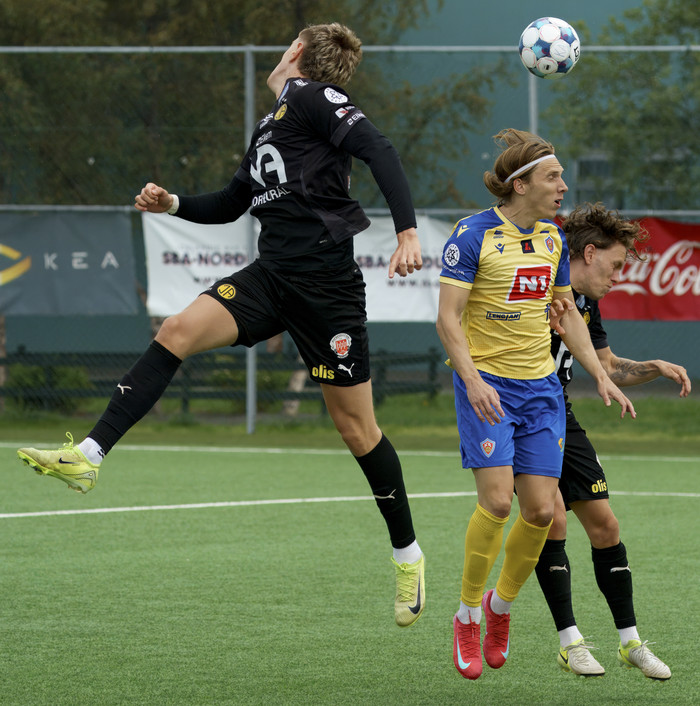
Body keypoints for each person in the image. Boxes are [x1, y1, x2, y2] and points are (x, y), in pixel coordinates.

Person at [16, 23, 426, 628]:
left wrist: (408, 231)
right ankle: (89, 455)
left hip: (325, 284)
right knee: (175, 331)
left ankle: (408, 555)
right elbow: (232, 204)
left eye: (289, 42)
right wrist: (174, 204)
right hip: (271, 276)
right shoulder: (271, 125)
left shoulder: (312, 96)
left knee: (357, 429)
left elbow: (379, 150)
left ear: (297, 52)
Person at [436, 128, 636, 681]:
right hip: (488, 386)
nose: (563, 186)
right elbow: (448, 319)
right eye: (553, 177)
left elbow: (567, 315)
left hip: (541, 390)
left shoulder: (552, 239)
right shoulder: (472, 235)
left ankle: (500, 606)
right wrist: (472, 381)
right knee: (498, 503)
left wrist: (601, 375)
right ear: (521, 184)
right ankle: (468, 614)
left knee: (543, 513)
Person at [535, 202, 689, 680]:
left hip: (561, 414)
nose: (618, 277)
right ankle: (571, 643)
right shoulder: (539, 289)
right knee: (553, 519)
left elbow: (607, 366)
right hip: (522, 416)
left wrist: (654, 367)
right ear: (588, 253)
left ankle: (631, 643)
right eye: (616, 264)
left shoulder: (586, 303)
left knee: (606, 526)